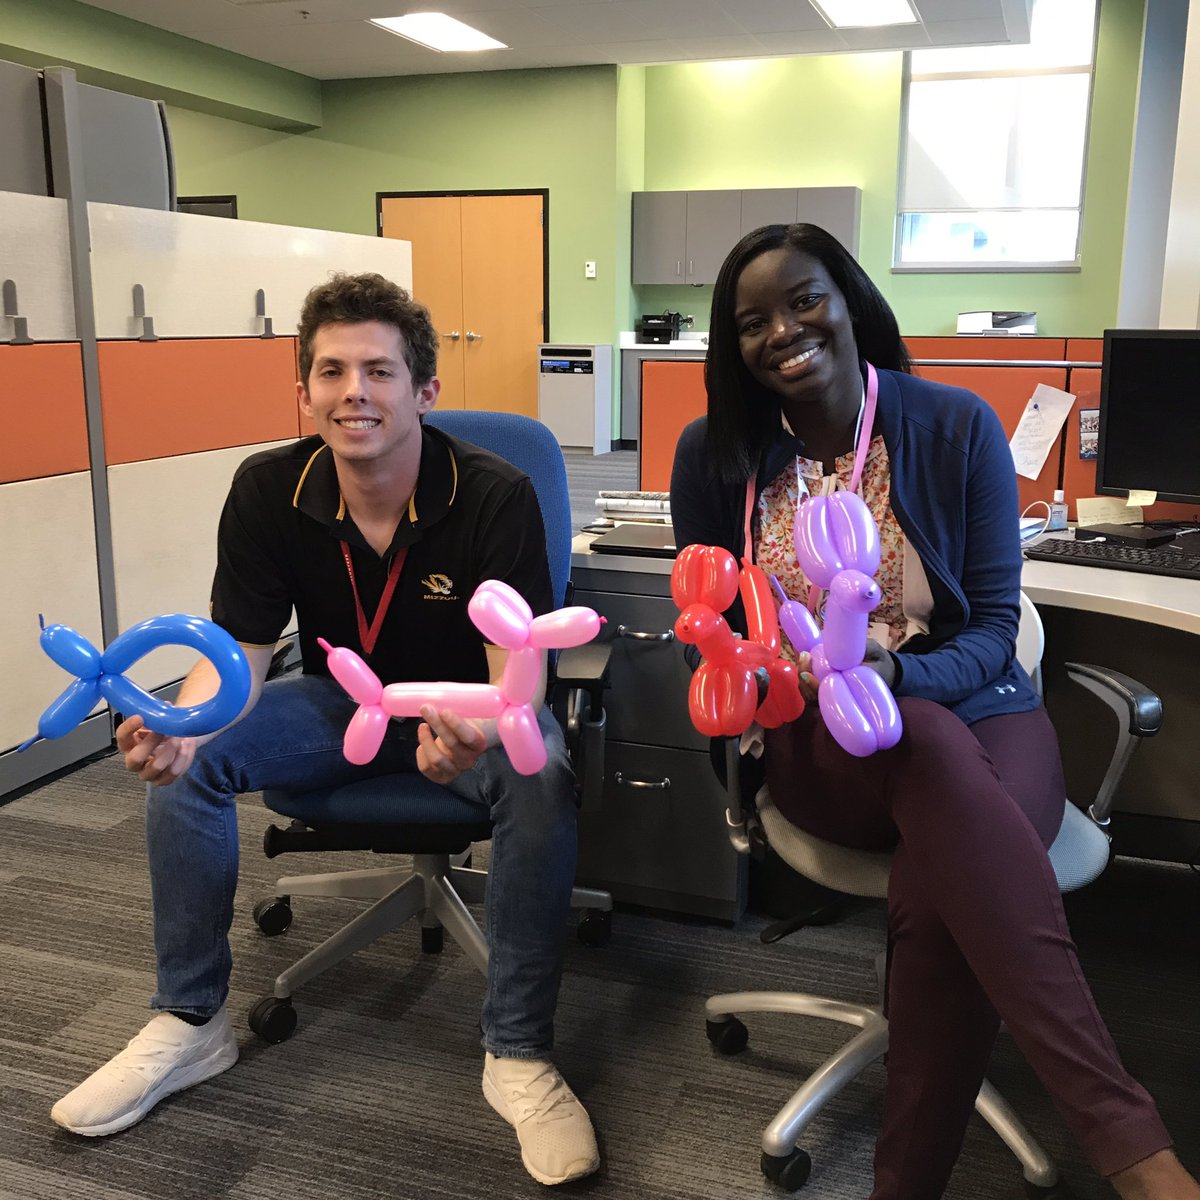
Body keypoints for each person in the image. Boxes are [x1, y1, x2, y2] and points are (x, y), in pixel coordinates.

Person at [670, 223, 1200, 1200]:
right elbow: (711, 617)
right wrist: (765, 671)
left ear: (850, 300)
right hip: (823, 742)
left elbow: (996, 626)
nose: (783, 329)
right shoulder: (719, 454)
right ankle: (1130, 1145)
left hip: (978, 709)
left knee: (939, 883)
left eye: (804, 299)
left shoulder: (952, 423)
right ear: (732, 346)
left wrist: (897, 675)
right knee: (925, 762)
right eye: (752, 321)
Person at [51, 272, 600, 1187]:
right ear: (304, 390)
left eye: (380, 371)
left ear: (424, 392)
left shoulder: (495, 494)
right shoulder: (269, 488)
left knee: (539, 773)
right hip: (339, 703)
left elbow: (518, 684)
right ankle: (190, 1025)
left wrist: (476, 732)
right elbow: (239, 649)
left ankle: (518, 1054)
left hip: (460, 705)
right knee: (194, 761)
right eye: (333, 370)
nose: (355, 392)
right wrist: (183, 723)